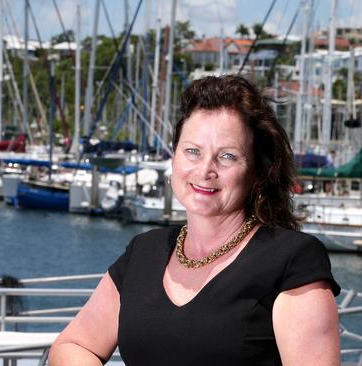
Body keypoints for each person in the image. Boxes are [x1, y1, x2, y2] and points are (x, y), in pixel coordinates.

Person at [49, 75, 341, 366]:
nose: (205, 170)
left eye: (227, 156)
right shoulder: (144, 251)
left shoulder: (291, 260)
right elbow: (72, 345)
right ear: (174, 157)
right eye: (192, 151)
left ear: (256, 172)